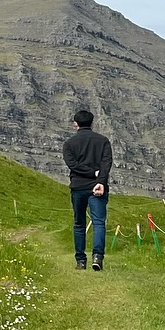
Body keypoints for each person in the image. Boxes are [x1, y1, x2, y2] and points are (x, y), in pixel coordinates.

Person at [62, 108, 112, 270]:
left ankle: (80, 261)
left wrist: (90, 173)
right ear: (92, 123)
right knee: (98, 223)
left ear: (75, 124)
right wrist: (100, 180)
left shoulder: (69, 144)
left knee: (79, 224)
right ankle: (97, 257)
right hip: (98, 187)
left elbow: (73, 165)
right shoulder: (103, 141)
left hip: (78, 187)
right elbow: (106, 163)